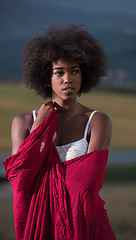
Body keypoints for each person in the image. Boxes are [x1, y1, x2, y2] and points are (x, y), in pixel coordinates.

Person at [4, 24, 116, 239]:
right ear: (47, 77)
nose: (68, 79)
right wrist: (40, 129)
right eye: (59, 72)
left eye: (75, 71)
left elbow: (87, 186)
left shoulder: (97, 121)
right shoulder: (24, 122)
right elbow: (21, 181)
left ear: (84, 75)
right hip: (39, 227)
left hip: (85, 227)